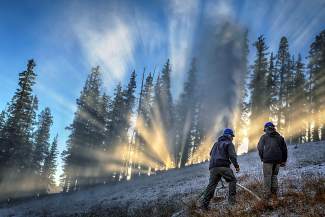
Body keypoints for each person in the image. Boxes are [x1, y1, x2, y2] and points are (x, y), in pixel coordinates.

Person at [200, 128, 240, 209]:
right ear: (229, 136)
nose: (232, 138)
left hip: (213, 167)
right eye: (232, 136)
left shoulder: (216, 144)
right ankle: (232, 203)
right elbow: (232, 156)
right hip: (223, 166)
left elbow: (211, 153)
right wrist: (236, 166)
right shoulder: (229, 143)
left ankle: (204, 206)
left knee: (211, 185)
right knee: (232, 180)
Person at [257, 122, 287, 200]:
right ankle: (274, 195)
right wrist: (283, 160)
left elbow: (260, 148)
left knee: (267, 177)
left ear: (266, 129)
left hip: (267, 160)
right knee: (274, 176)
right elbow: (284, 150)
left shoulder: (263, 137)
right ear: (273, 128)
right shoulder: (280, 137)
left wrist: (262, 158)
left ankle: (267, 196)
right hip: (278, 160)